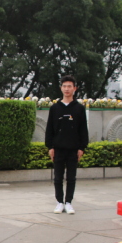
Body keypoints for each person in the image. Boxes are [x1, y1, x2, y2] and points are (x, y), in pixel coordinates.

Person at [45, 75, 89, 214]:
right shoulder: (55, 108)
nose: (67, 89)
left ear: (75, 88)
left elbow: (83, 129)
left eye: (69, 86)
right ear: (61, 88)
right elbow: (49, 129)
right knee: (58, 177)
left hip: (73, 149)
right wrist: (50, 146)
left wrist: (82, 147)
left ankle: (68, 202)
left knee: (71, 178)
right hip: (58, 148)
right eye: (64, 86)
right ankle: (59, 202)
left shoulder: (79, 108)